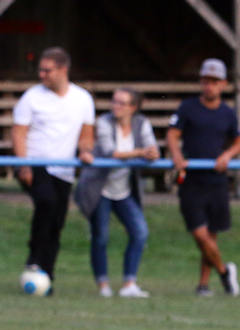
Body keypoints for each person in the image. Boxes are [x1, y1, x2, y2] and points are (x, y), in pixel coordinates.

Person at [12, 46, 95, 290]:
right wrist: (23, 164)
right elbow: (19, 133)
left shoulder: (82, 99)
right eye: (40, 70)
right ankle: (34, 258)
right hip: (35, 163)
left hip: (65, 169)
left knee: (57, 221)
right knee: (46, 202)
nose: (42, 75)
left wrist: (85, 151)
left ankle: (47, 275)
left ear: (63, 70)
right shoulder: (31, 97)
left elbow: (86, 135)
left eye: (47, 70)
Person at [166, 58, 240, 297]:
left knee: (210, 236)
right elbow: (172, 134)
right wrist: (177, 156)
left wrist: (227, 155)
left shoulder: (228, 113)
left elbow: (238, 140)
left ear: (223, 84)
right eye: (206, 81)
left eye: (214, 82)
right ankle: (224, 271)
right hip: (192, 180)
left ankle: (204, 284)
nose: (209, 86)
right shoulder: (187, 108)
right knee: (199, 233)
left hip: (217, 181)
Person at [74, 87, 158, 298]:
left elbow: (153, 149)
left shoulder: (142, 123)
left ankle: (129, 283)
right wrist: (140, 153)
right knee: (100, 237)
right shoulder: (103, 122)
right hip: (100, 188)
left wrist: (151, 152)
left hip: (124, 189)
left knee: (140, 232)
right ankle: (103, 285)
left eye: (121, 103)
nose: (115, 106)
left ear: (133, 107)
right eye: (114, 101)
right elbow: (112, 152)